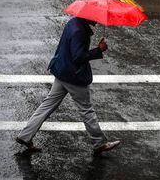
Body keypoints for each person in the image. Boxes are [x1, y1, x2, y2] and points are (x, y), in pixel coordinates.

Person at [16, 17, 120, 154]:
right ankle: (99, 143)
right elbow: (77, 57)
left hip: (62, 71)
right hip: (73, 75)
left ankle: (25, 135)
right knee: (86, 109)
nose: (98, 20)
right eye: (95, 17)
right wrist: (98, 50)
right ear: (87, 16)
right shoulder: (79, 31)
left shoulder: (73, 23)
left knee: (47, 105)